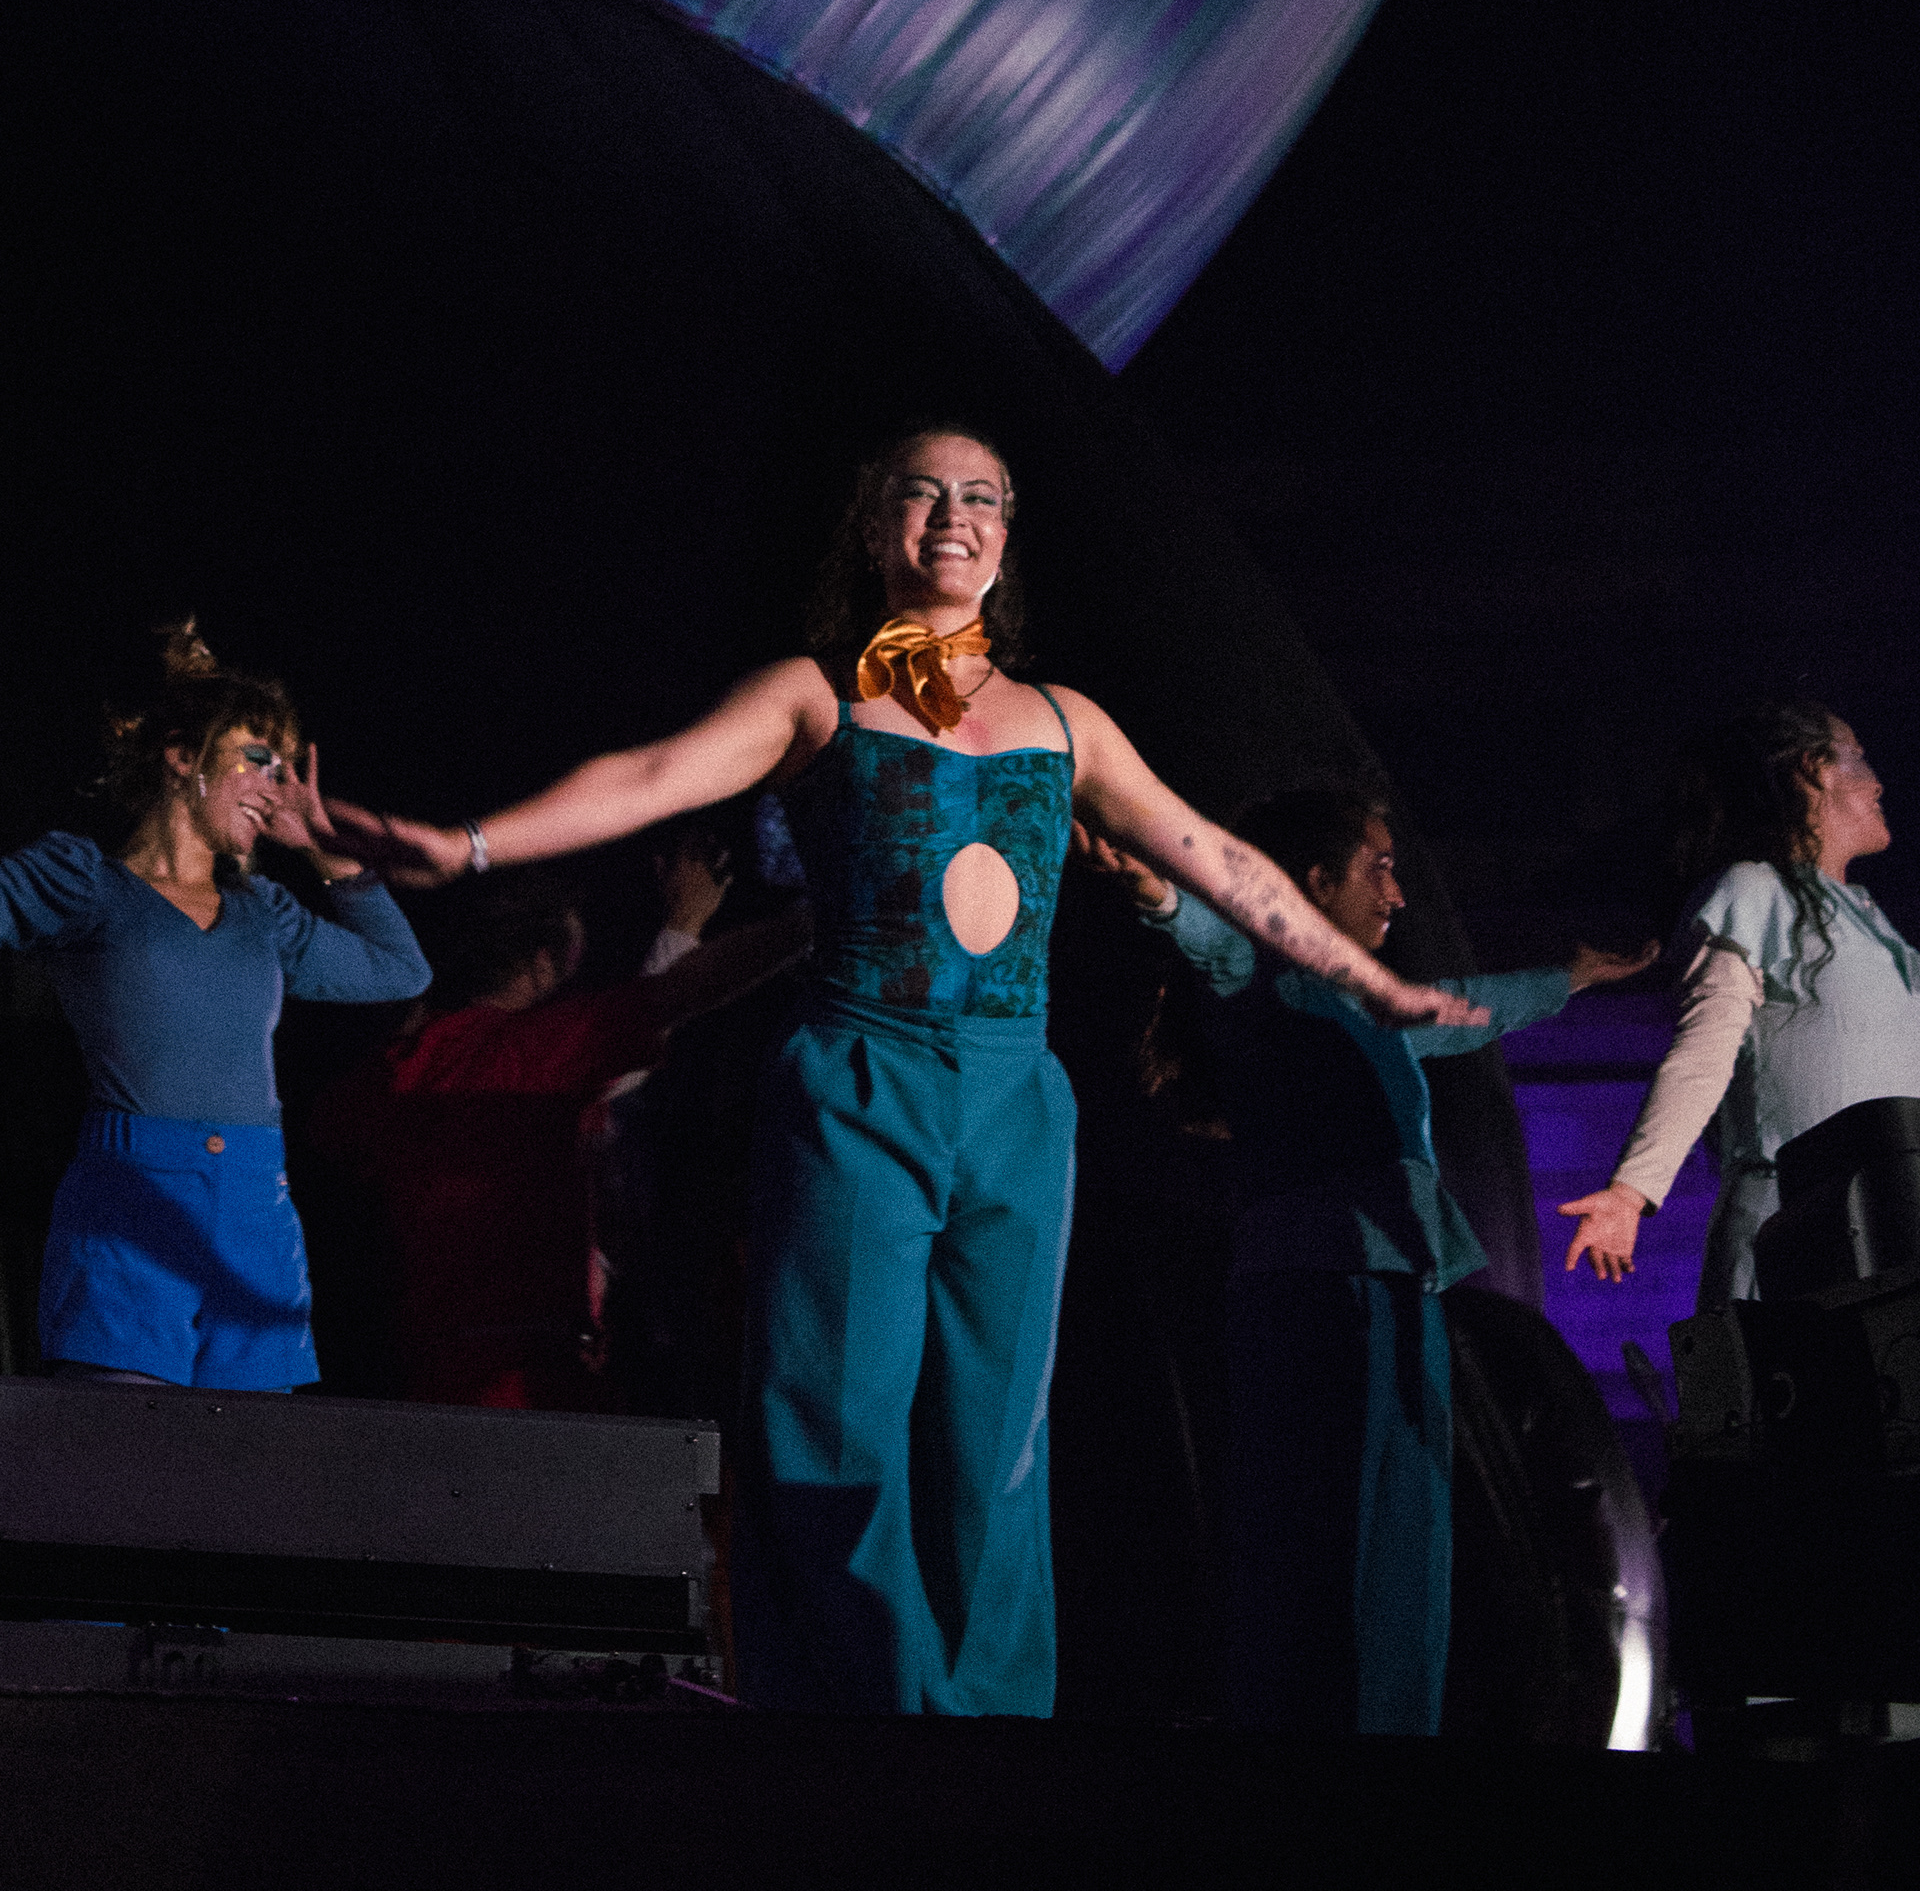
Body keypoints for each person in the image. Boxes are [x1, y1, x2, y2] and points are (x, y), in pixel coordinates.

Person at [329, 425, 1484, 1717]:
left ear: (1005, 534)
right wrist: (472, 845)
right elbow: (654, 775)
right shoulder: (816, 695)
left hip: (1014, 1095)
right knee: (835, 1417)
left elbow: (1217, 857)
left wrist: (1368, 978)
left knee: (999, 1434)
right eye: (922, 493)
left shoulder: (1064, 720)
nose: (953, 514)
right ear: (875, 527)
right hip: (862, 1072)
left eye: (980, 496)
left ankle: (987, 1722)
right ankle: (863, 1706)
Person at [1084, 785, 1651, 1734]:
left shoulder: (1369, 1004)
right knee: (1321, 1540)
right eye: (1377, 868)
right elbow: (1202, 926)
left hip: (1393, 1285)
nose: (1396, 894)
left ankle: (1393, 1741)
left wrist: (1572, 979)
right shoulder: (1260, 974)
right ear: (1313, 881)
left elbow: (1468, 1010)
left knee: (1403, 1536)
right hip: (1316, 1292)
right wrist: (1155, 886)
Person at [0, 622, 430, 1388]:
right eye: (258, 759)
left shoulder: (263, 911)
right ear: (181, 756)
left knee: (249, 1457)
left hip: (257, 1214)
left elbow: (398, 969)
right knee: (123, 1448)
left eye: (286, 770)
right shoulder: (85, 880)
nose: (276, 786)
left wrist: (321, 841)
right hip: (131, 1204)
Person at [311, 858, 804, 1408]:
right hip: (525, 1381)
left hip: (414, 1375)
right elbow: (672, 996)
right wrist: (817, 920)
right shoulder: (533, 1051)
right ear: (543, 964)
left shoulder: (389, 1071)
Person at [1560, 703, 1912, 1306]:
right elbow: (1705, 1048)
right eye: (1857, 757)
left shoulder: (1873, 925)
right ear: (1813, 770)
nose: (1879, 783)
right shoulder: (1753, 891)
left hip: (1898, 1214)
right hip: (1801, 1224)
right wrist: (1630, 1192)